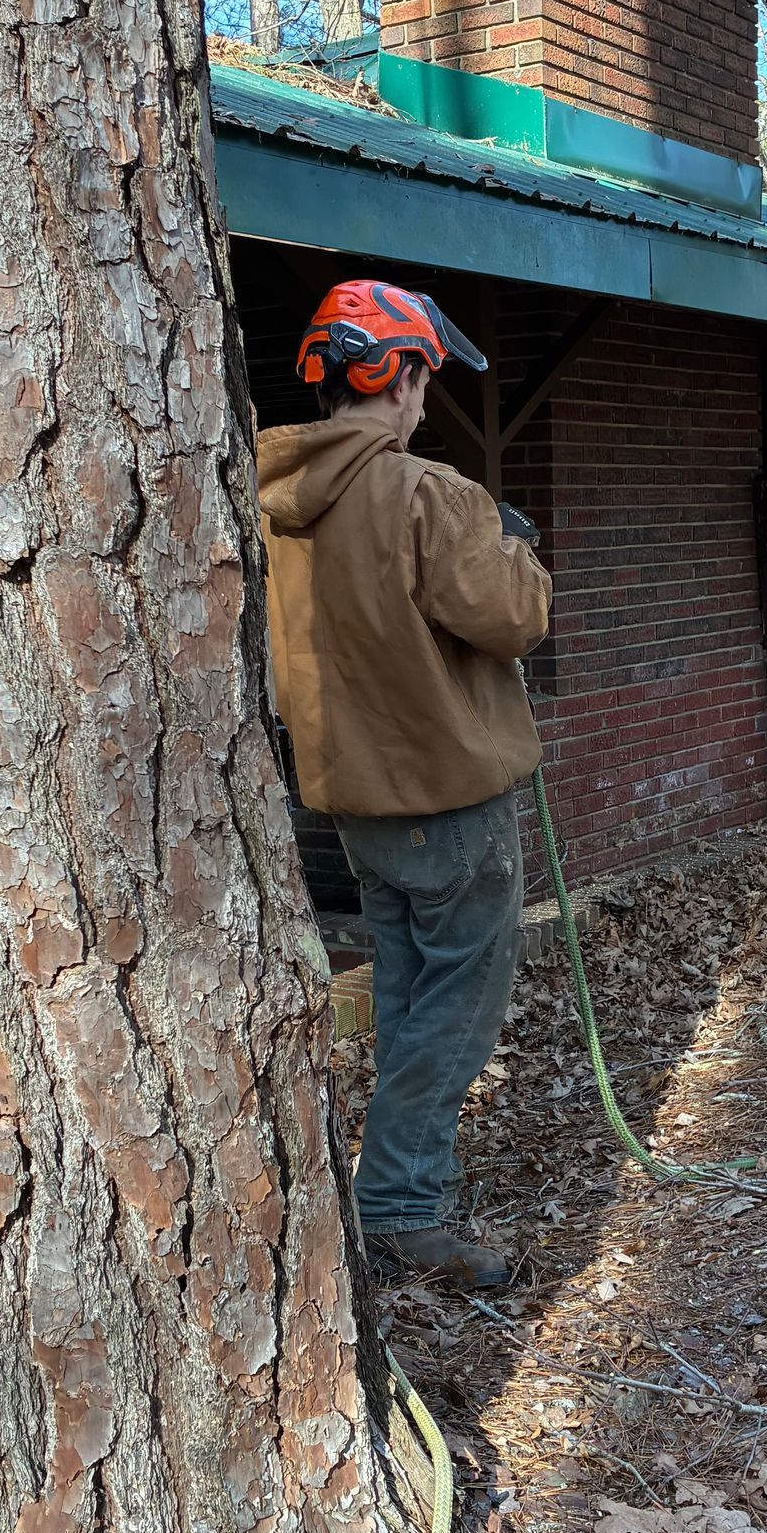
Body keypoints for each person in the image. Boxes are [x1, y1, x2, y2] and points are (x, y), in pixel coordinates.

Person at [257, 281, 552, 1290]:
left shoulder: (274, 502)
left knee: (409, 995)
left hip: (355, 804)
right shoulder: (431, 496)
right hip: (450, 801)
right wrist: (515, 549)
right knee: (453, 1014)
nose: (427, 398)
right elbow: (513, 623)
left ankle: (387, 1187)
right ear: (398, 373)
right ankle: (396, 1209)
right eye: (424, 373)